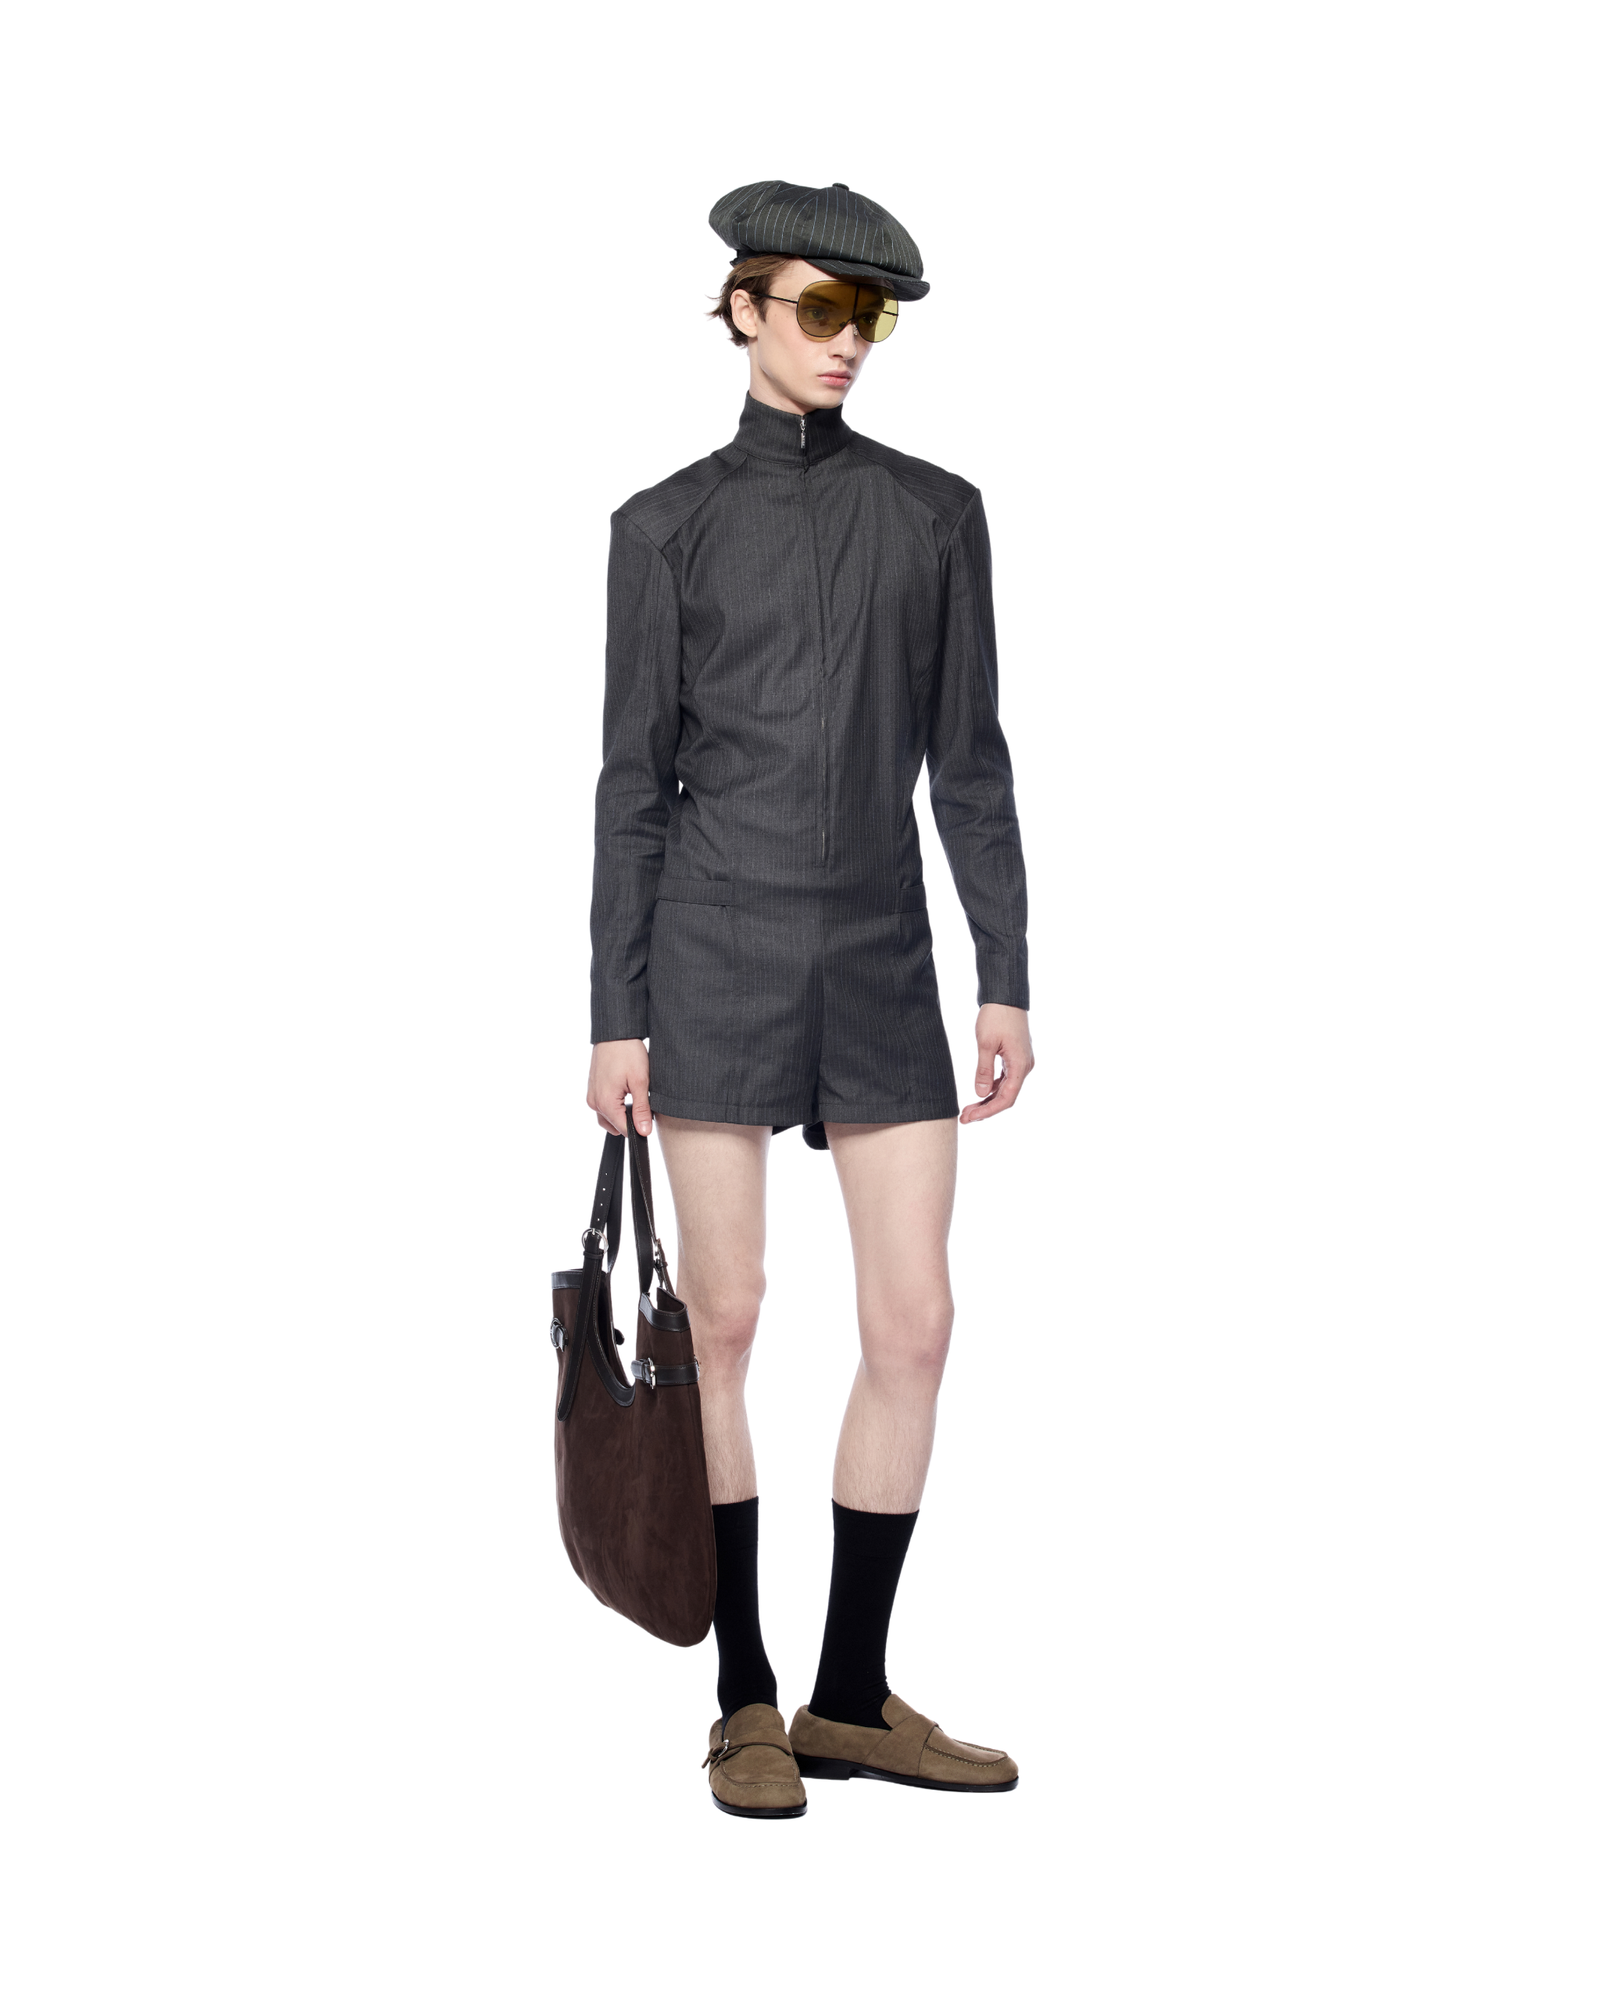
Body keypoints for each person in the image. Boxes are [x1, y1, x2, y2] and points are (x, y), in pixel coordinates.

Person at [585, 179, 1033, 1818]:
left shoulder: (935, 513)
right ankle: (745, 1697)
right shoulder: (664, 527)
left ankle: (850, 1693)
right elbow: (631, 783)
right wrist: (615, 1008)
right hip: (710, 951)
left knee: (916, 1322)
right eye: (821, 309)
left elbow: (970, 760)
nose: (849, 342)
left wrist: (1006, 971)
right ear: (743, 310)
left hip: (882, 957)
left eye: (873, 316)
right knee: (724, 1321)